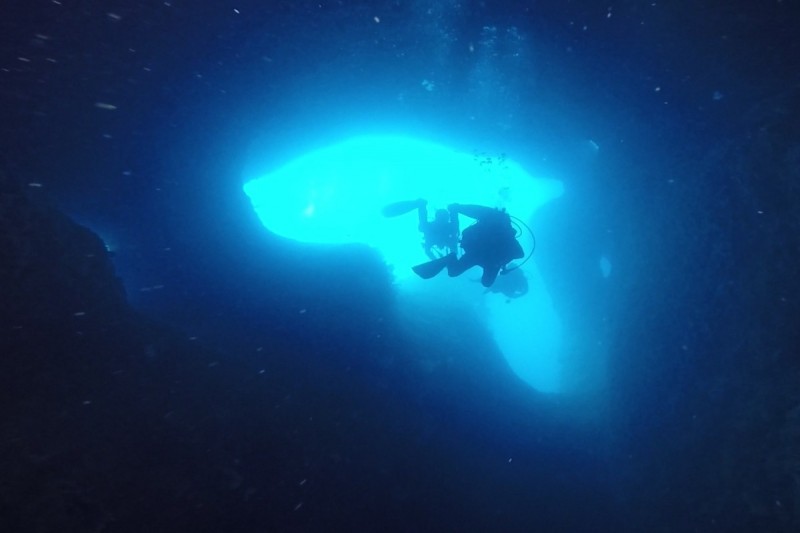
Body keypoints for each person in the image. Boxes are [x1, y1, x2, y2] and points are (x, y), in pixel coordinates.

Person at [381, 198, 459, 259]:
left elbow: (428, 251)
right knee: (423, 227)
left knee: (423, 227)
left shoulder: (449, 228)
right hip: (439, 234)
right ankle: (422, 205)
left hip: (435, 234)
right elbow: (454, 248)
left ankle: (421, 205)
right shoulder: (452, 228)